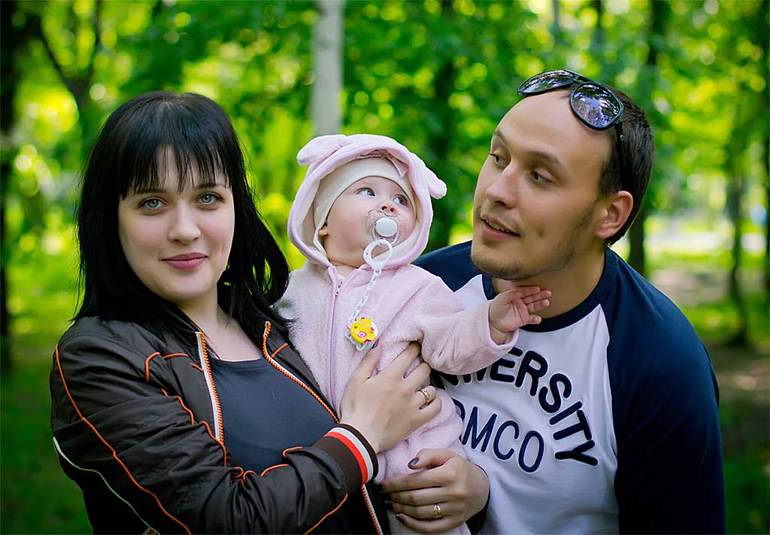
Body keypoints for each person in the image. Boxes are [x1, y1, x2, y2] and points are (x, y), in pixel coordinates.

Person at [48, 91, 487, 534]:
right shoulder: (99, 358)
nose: (185, 230)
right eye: (152, 203)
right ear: (111, 219)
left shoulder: (278, 319)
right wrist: (361, 437)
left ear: (236, 207)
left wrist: (470, 489)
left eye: (207, 198)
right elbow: (227, 519)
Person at [384, 70, 725, 533]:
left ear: (610, 214)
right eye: (498, 158)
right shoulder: (421, 289)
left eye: (540, 177)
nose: (497, 191)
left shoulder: (660, 362)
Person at [278, 134, 551, 534]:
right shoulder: (292, 291)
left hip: (411, 451)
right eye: (366, 191)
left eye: (402, 199)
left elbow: (449, 343)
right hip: (329, 448)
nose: (388, 205)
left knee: (421, 513)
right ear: (321, 222)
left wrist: (490, 322)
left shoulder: (417, 287)